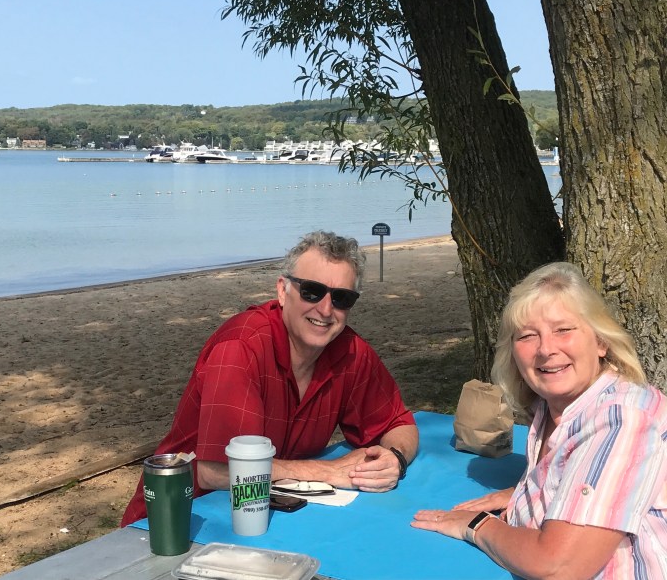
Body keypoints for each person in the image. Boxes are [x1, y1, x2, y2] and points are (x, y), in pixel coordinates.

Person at [121, 230, 418, 525]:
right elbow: (214, 472)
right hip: (178, 521)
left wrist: (394, 458)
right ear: (282, 291)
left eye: (342, 298)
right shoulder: (241, 348)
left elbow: (398, 423)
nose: (326, 309)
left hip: (274, 516)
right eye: (312, 291)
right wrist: (329, 471)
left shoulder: (351, 352)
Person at [412, 262, 667, 579]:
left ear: (601, 341)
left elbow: (559, 566)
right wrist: (527, 491)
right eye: (528, 335)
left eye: (564, 330)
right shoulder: (556, 404)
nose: (546, 349)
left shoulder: (621, 419)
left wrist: (476, 524)